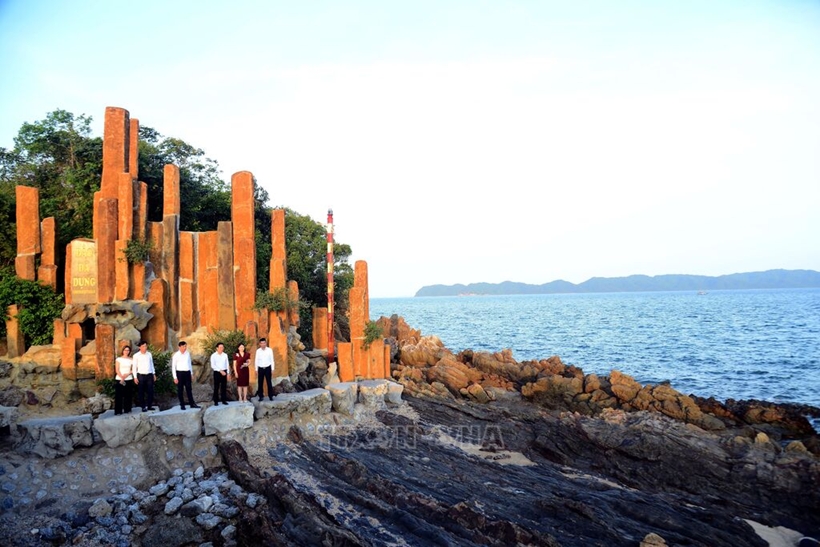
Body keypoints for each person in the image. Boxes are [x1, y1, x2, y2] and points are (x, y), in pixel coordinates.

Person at [172, 341, 200, 410]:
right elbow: (173, 367)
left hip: (187, 373)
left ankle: (192, 404)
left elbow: (189, 364)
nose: (185, 348)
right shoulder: (176, 355)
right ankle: (182, 405)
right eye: (183, 346)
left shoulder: (187, 354)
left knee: (189, 389)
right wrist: (175, 377)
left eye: (185, 346)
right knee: (180, 389)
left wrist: (191, 373)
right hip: (180, 373)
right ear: (179, 347)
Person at [133, 340, 156, 412]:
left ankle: (149, 406)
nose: (145, 348)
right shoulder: (136, 356)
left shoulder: (149, 354)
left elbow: (151, 364)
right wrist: (135, 377)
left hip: (149, 375)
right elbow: (134, 367)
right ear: (139, 347)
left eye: (145, 346)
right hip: (141, 375)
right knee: (141, 391)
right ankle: (143, 406)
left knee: (150, 391)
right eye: (143, 346)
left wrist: (154, 374)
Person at [113, 345, 135, 415]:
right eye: (125, 350)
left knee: (128, 395)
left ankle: (127, 409)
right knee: (118, 395)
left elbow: (133, 369)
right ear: (122, 351)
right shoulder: (118, 359)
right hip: (119, 379)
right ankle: (118, 411)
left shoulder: (131, 359)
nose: (126, 351)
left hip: (128, 378)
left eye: (128, 350)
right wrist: (122, 378)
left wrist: (127, 374)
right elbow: (117, 370)